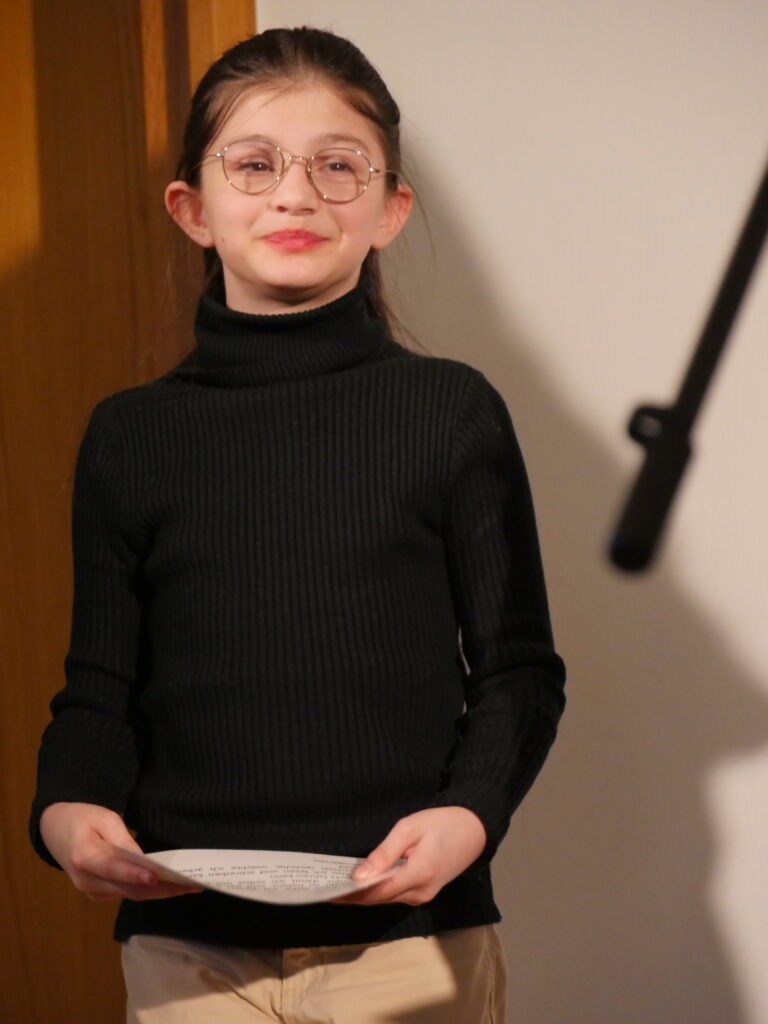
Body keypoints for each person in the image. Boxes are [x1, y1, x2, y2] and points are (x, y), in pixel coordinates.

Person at [30, 26, 566, 1024]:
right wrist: (65, 812)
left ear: (389, 207)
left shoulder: (450, 413)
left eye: (338, 165)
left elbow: (519, 673)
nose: (296, 195)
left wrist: (467, 817)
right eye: (255, 164)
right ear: (193, 208)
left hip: (411, 943)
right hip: (186, 949)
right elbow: (99, 690)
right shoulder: (129, 435)